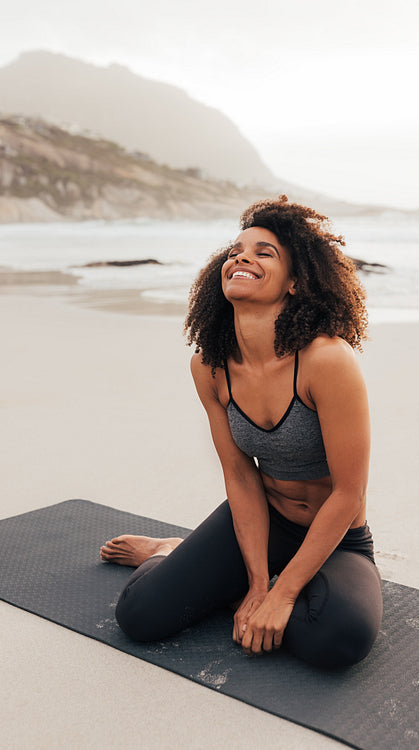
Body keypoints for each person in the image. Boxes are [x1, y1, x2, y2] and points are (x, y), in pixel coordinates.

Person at [100, 195, 383, 669]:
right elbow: (240, 475)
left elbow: (349, 492)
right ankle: (171, 551)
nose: (242, 257)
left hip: (336, 537)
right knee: (139, 616)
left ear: (294, 282)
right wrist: (256, 586)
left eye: (264, 252)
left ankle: (213, 567)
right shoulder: (209, 367)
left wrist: (281, 594)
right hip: (260, 521)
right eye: (235, 250)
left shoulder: (327, 360)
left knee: (339, 641)